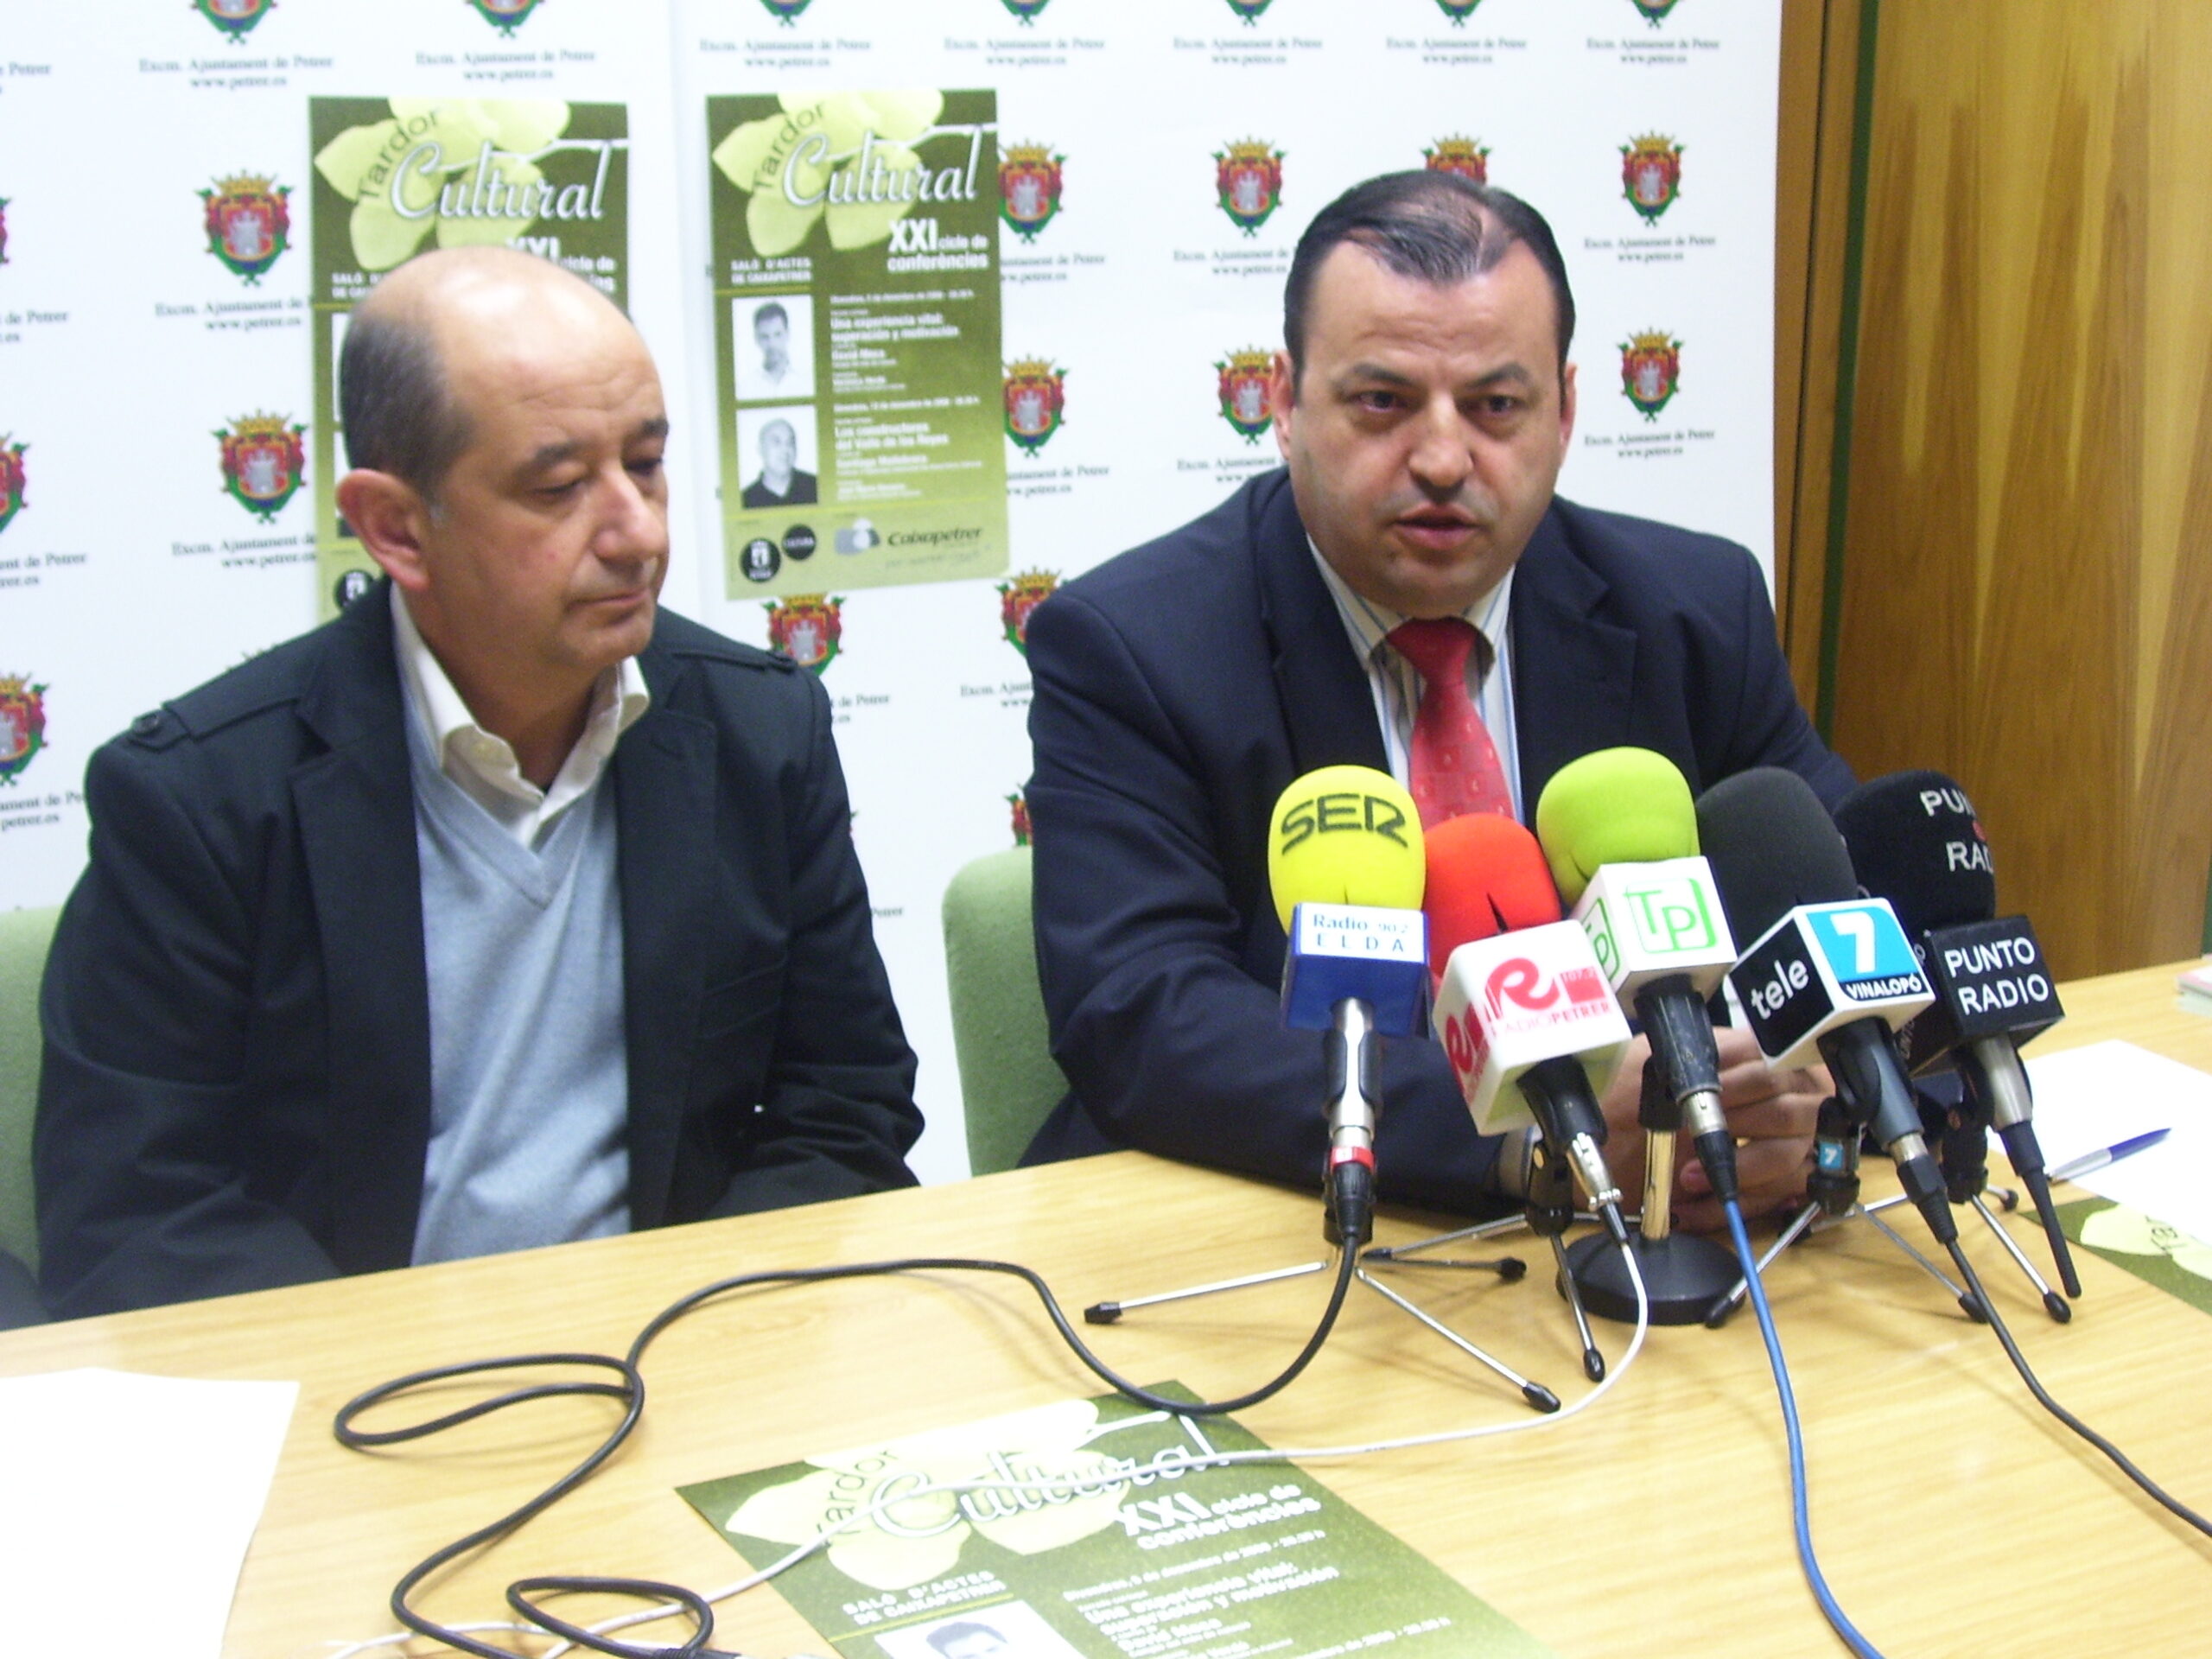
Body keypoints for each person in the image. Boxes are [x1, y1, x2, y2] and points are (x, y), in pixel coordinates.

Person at [35, 248, 920, 1319]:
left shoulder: (760, 730)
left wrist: (694, 1335)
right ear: (396, 527)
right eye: (558, 488)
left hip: (683, 1348)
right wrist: (407, 1370)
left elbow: (846, 1109)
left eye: (645, 465)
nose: (640, 532)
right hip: (362, 1384)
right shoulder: (200, 799)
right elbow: (137, 1215)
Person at [1022, 173, 1851, 1229]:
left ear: (1566, 409)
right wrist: (1533, 1136)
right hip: (1292, 1230)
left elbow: (1844, 925)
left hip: (1670, 1222)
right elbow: (1142, 1019)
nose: (1444, 458)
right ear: (1283, 402)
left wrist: (1811, 1106)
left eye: (1496, 406)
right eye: (1383, 402)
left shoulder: (1696, 610)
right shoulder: (1134, 645)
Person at [742, 416, 817, 509]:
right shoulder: (746, 500)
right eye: (776, 442)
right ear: (760, 449)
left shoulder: (816, 487)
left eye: (790, 443)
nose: (785, 450)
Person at [753, 301, 795, 391]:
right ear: (756, 339)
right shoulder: (745, 387)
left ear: (788, 334)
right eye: (765, 337)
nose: (772, 344)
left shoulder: (808, 381)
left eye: (777, 335)